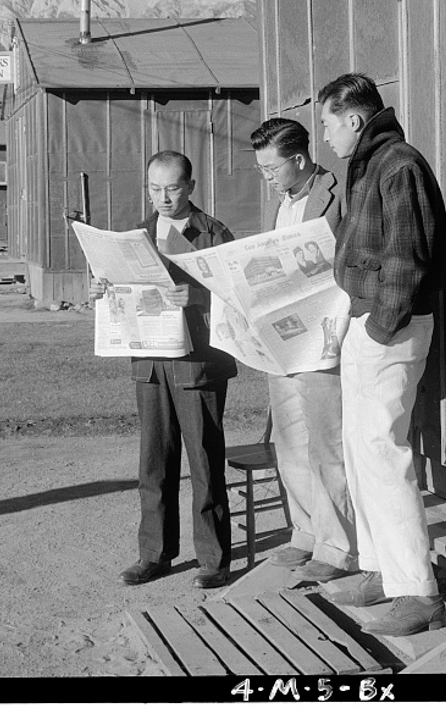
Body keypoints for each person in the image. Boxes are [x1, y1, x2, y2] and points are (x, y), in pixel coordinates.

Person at [317, 73, 446, 635]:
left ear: (353, 119)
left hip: (388, 328)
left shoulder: (398, 164)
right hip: (369, 323)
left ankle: (418, 593)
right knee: (361, 450)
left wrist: (379, 326)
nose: (323, 136)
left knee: (382, 450)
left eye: (326, 124)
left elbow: (406, 258)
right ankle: (379, 569)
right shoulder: (371, 163)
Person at [90, 151, 236, 590]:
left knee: (205, 462)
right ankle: (153, 554)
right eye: (155, 189)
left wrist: (198, 298)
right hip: (150, 362)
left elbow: (238, 296)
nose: (163, 198)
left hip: (198, 364)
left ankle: (213, 559)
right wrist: (101, 287)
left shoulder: (214, 234)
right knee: (154, 462)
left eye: (172, 188)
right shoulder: (135, 236)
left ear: (190, 186)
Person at [251, 117, 356, 583]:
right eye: (261, 170)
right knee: (288, 441)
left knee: (326, 444)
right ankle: (305, 533)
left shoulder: (339, 192)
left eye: (272, 169)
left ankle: (338, 548)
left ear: (299, 159)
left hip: (322, 338)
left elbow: (350, 260)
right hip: (282, 339)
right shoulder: (279, 200)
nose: (267, 178)